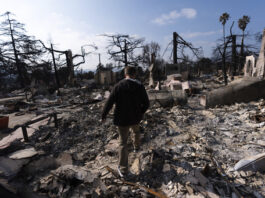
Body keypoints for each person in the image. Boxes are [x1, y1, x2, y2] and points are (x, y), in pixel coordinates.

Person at [101, 66, 149, 177]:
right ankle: (137, 146)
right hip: (135, 118)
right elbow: (146, 103)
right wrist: (140, 112)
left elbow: (109, 102)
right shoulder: (139, 86)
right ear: (134, 74)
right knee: (136, 131)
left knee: (122, 143)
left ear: (125, 74)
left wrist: (103, 115)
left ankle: (123, 169)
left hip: (122, 119)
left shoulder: (118, 86)